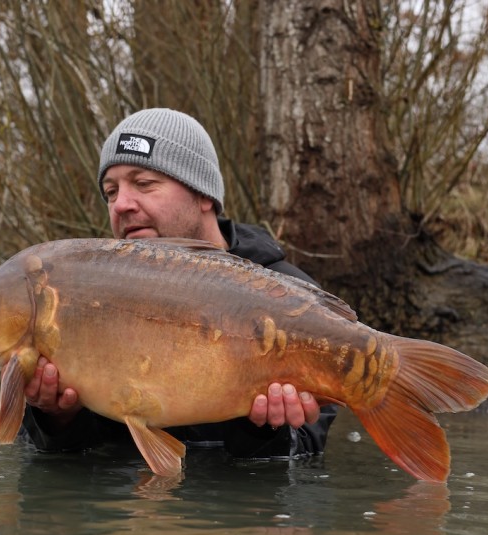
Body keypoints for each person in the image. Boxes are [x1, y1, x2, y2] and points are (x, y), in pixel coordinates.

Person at [19, 108, 337, 460]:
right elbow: (45, 457)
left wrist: (259, 429)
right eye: (111, 192)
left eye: (144, 184)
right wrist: (57, 417)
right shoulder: (79, 298)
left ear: (204, 196)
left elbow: (305, 459)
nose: (121, 204)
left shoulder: (295, 305)